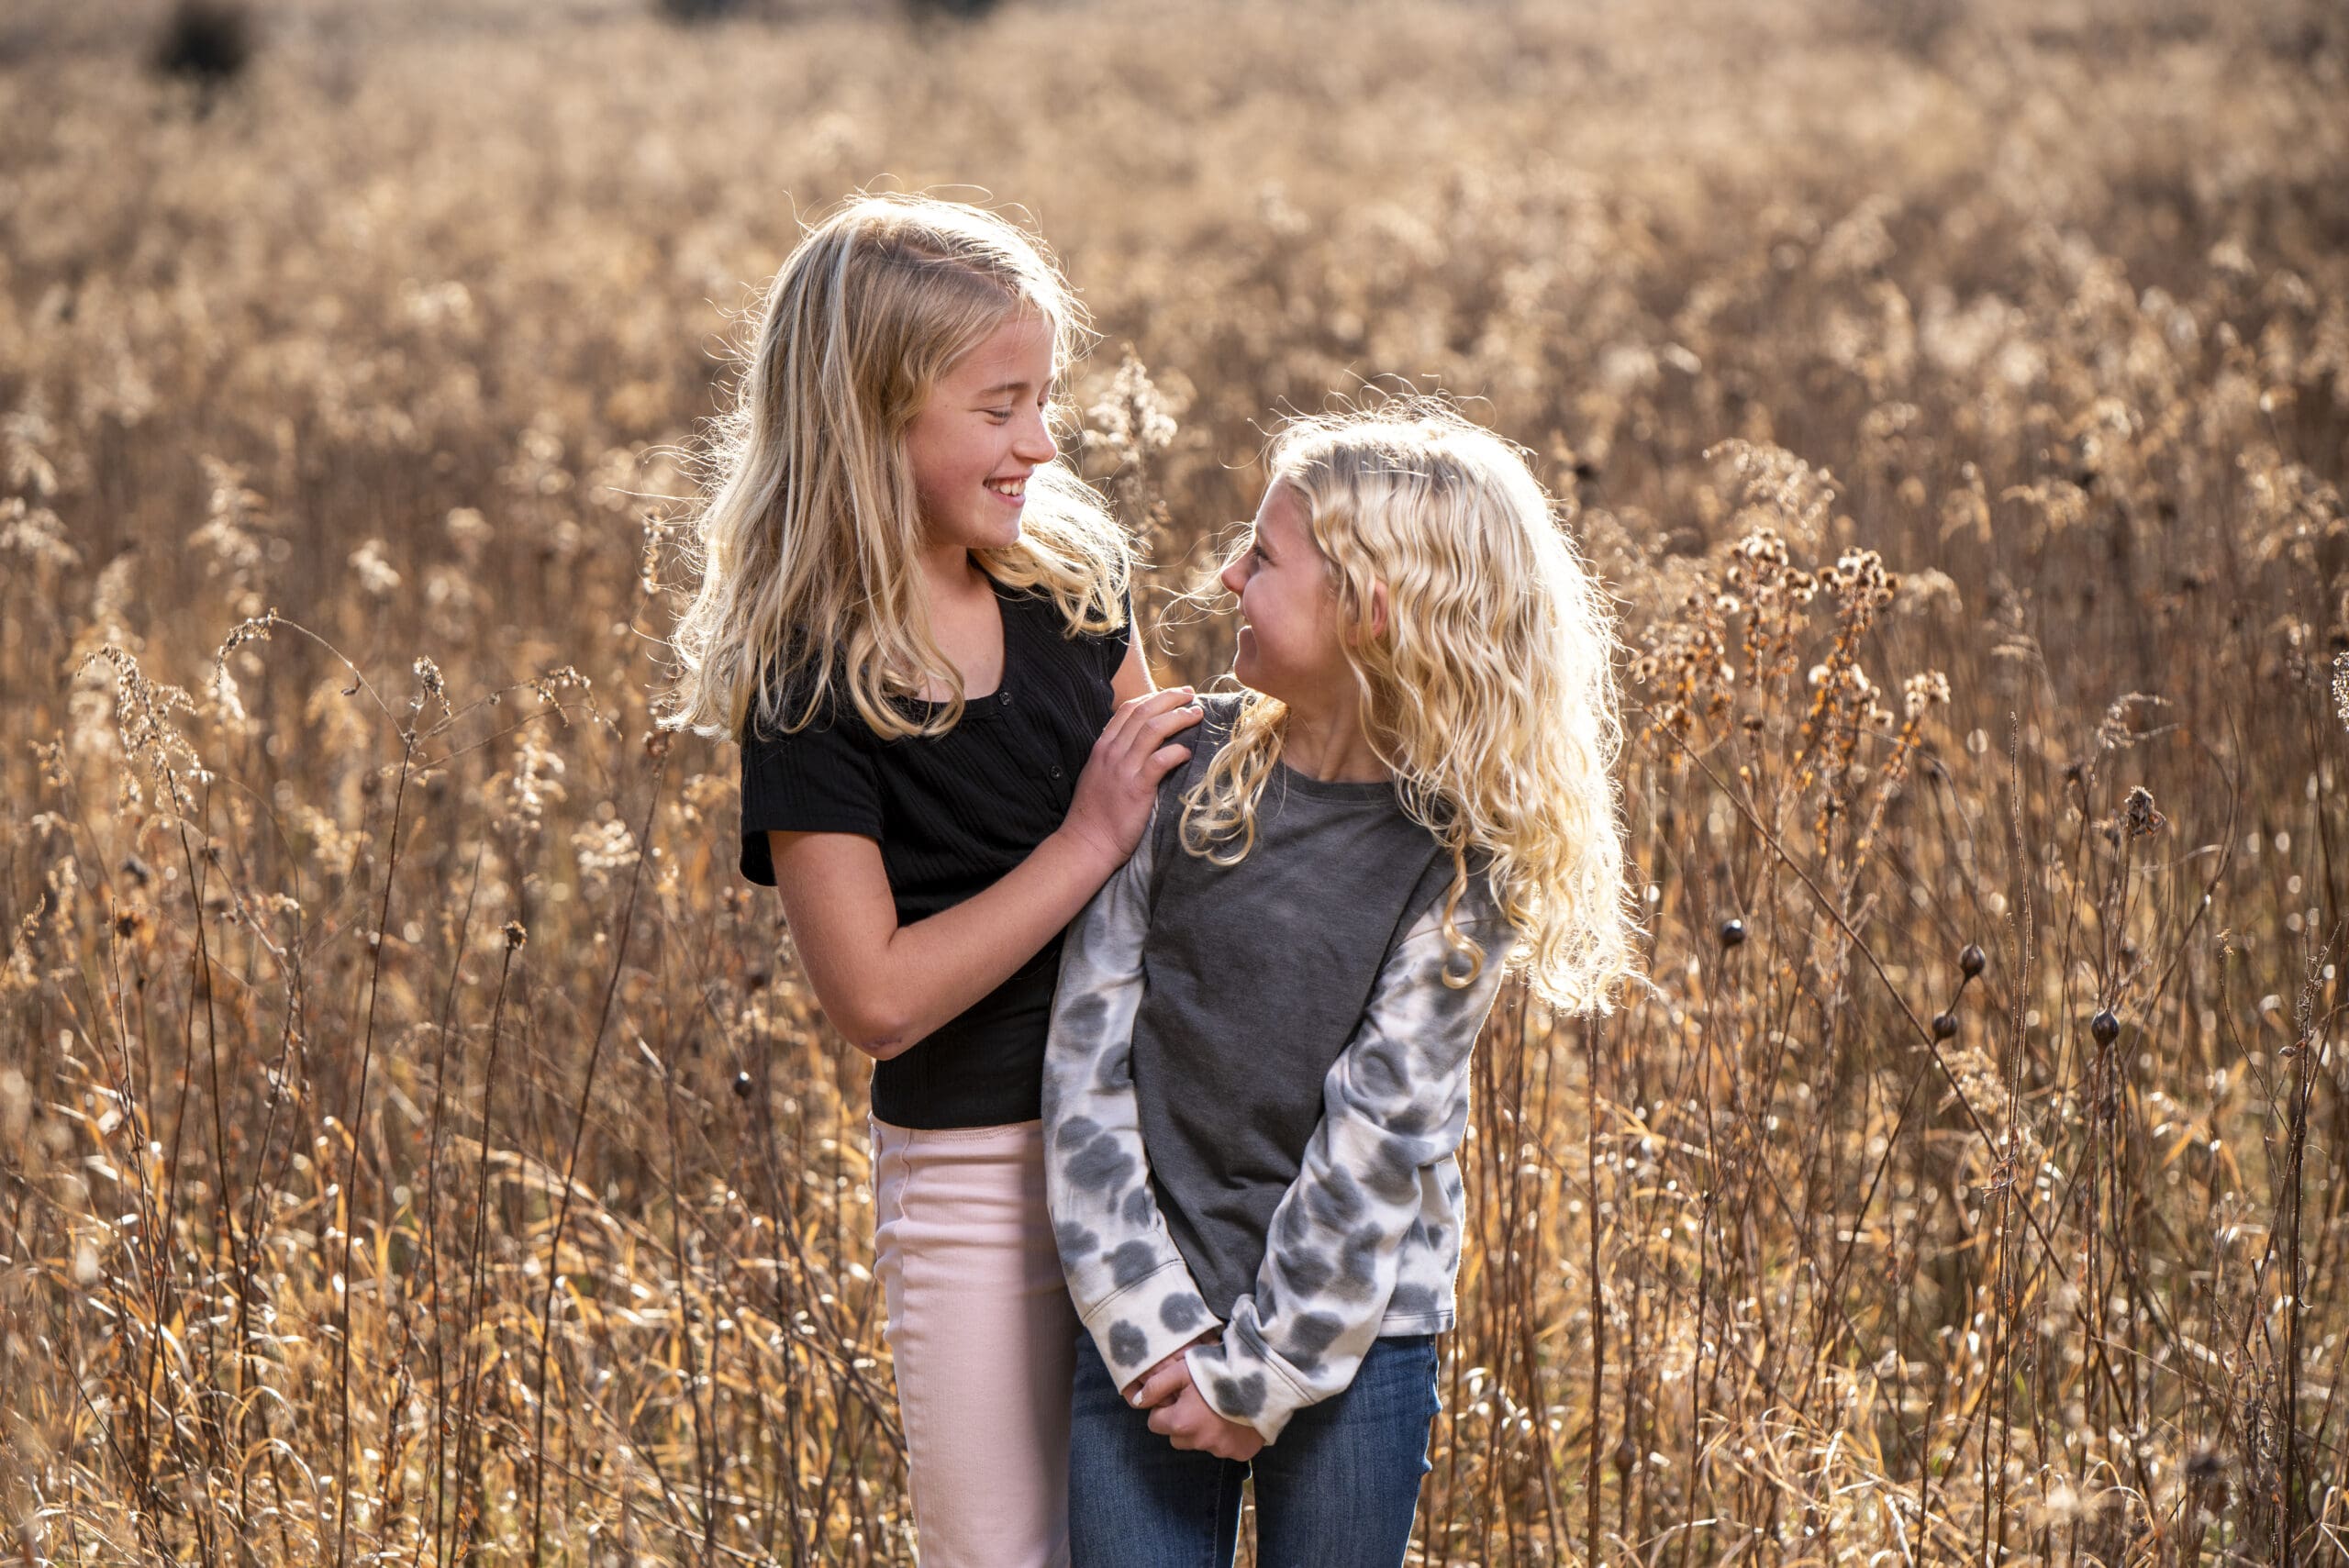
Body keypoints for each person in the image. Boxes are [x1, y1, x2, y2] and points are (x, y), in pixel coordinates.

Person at [661, 192, 1202, 1568]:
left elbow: (1181, 828)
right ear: (872, 416)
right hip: (973, 1176)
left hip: (1156, 1148)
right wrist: (1084, 841)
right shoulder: (810, 687)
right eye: (1000, 405)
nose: (1041, 441)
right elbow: (880, 998)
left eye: (1044, 400)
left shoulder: (1076, 590)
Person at [1042, 403, 1642, 1567]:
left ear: (1371, 607)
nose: (1225, 573)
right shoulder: (1178, 771)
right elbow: (1082, 1061)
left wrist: (1257, 1375)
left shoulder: (1460, 859)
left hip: (1358, 1336)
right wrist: (1156, 1332)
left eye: (1262, 558)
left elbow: (1378, 1141)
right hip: (1144, 1325)